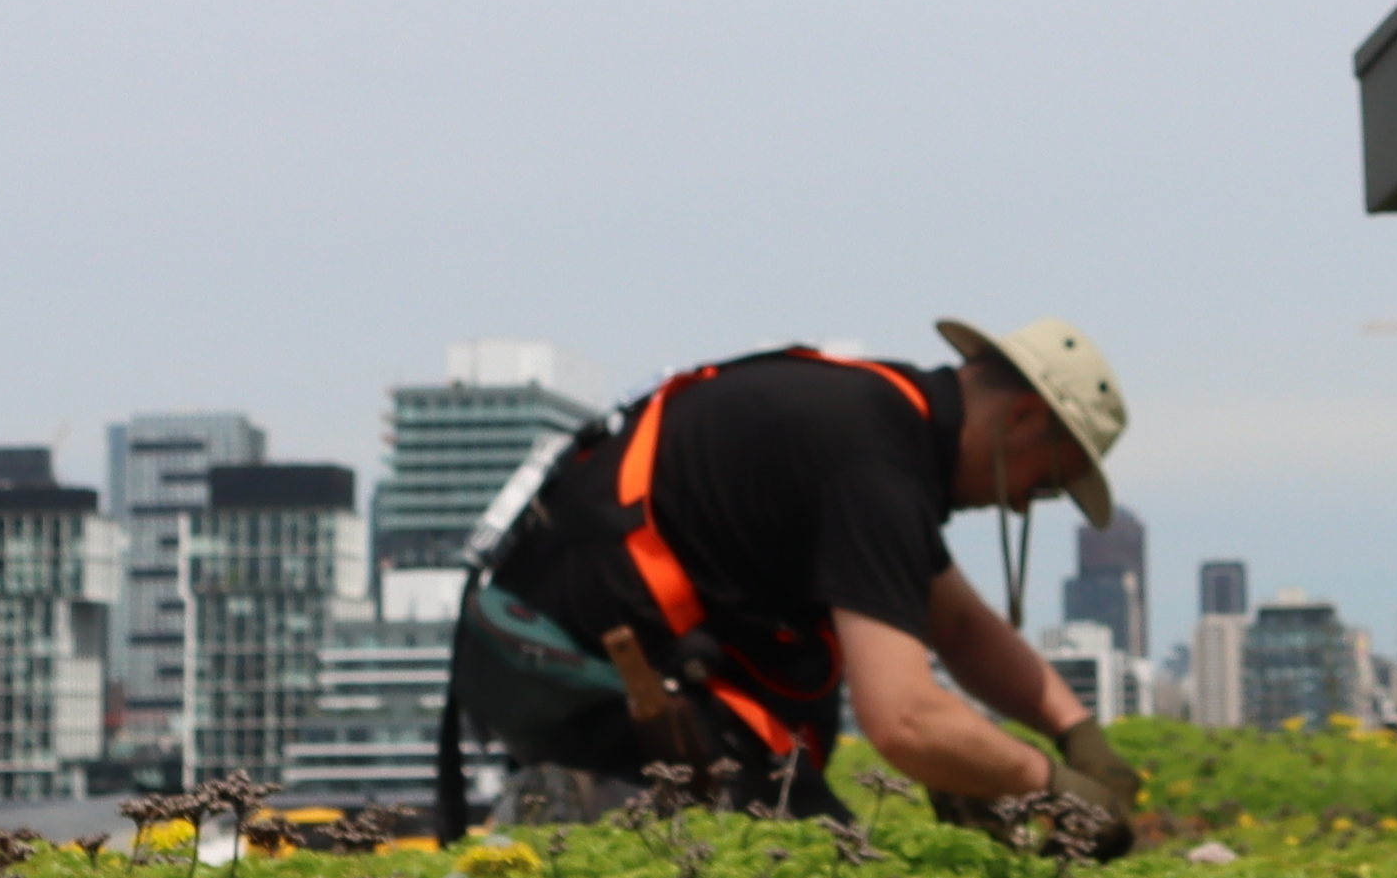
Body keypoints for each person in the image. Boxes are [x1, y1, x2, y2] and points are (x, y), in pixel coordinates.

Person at [444, 316, 1148, 846]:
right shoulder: (872, 465)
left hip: (584, 667)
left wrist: (1077, 732)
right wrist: (1053, 785)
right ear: (1022, 418)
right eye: (1047, 481)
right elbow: (905, 720)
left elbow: (959, 624)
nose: (1023, 503)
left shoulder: (869, 416)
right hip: (623, 714)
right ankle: (591, 799)